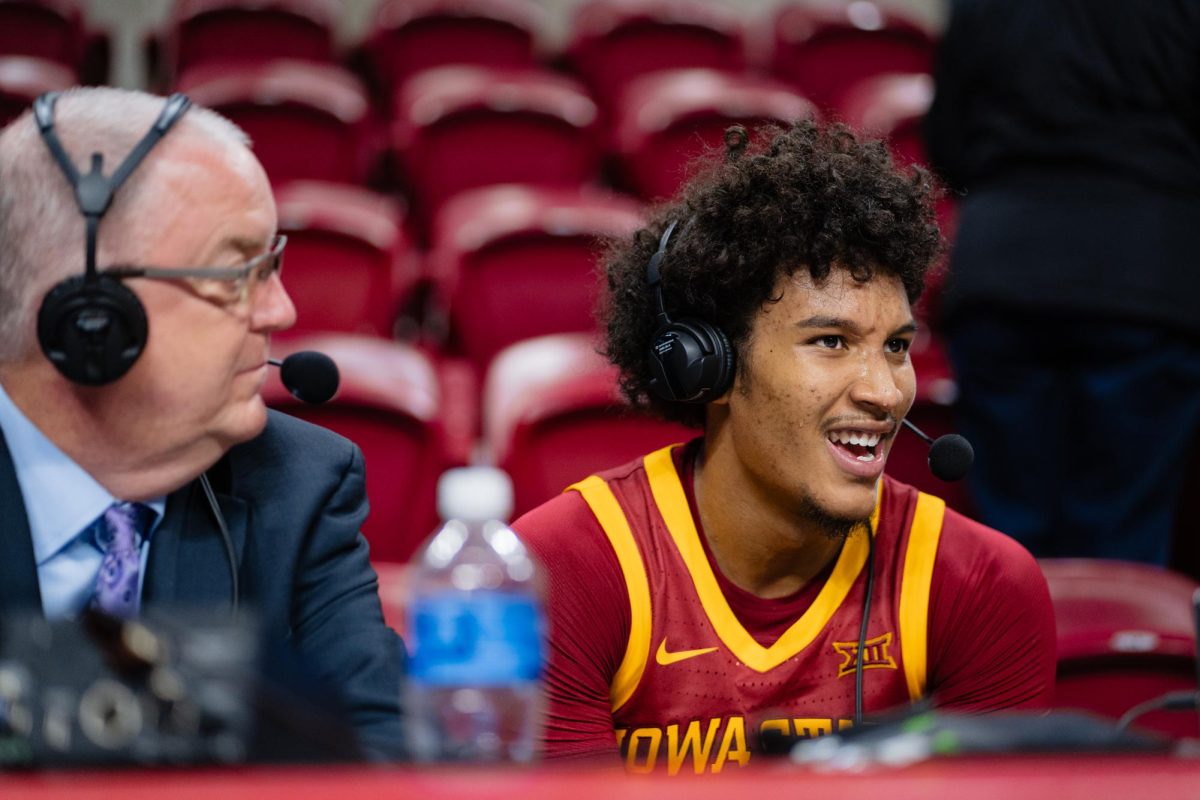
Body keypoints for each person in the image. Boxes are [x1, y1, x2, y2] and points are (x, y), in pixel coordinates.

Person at [511, 120, 1056, 772]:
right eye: (831, 342)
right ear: (708, 367)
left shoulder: (978, 585)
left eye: (897, 346)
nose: (884, 392)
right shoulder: (565, 570)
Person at [0, 87, 403, 759]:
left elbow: (378, 764)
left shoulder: (299, 491)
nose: (281, 311)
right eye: (235, 273)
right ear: (87, 316)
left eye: (269, 266)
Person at [924, 0, 1200, 566]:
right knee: (1122, 542)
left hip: (1004, 271)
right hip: (1146, 276)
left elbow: (947, 143)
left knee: (1009, 539)